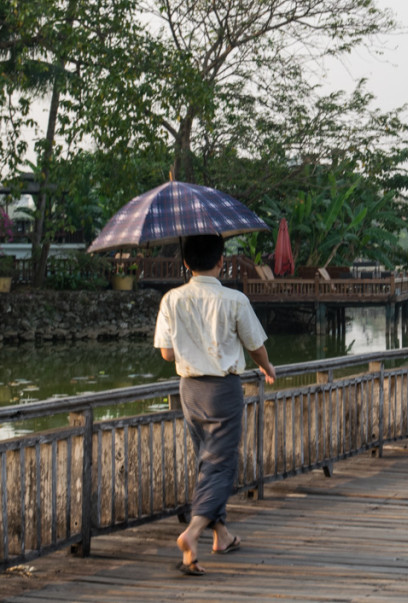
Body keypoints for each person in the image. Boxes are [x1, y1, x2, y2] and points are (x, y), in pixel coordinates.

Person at [153, 234, 278, 576]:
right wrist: (267, 367)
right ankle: (192, 534)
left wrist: (193, 343)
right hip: (222, 389)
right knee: (222, 465)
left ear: (186, 264)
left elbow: (166, 353)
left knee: (208, 462)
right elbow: (255, 344)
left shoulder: (172, 299)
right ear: (221, 261)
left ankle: (221, 535)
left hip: (189, 390)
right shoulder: (233, 299)